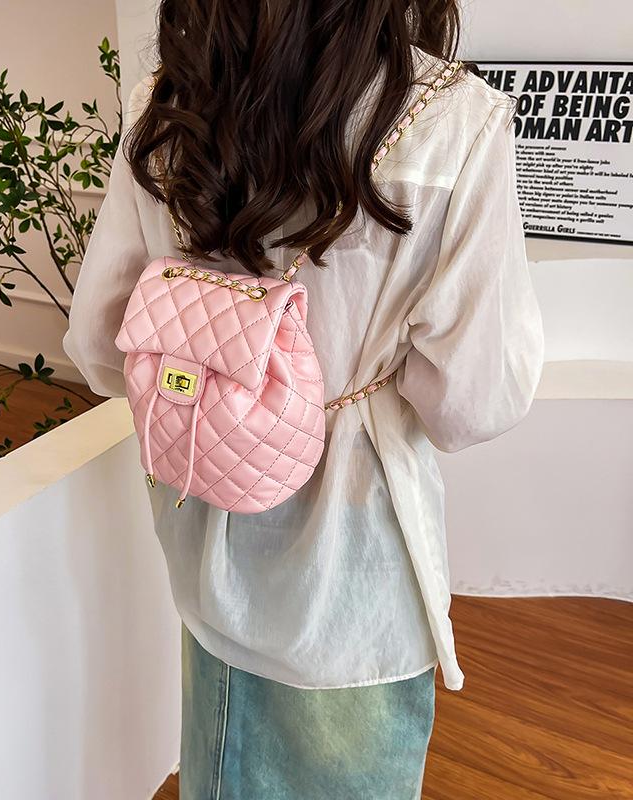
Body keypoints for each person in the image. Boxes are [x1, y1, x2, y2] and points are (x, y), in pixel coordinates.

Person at [63, 1, 545, 797]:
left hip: (206, 523)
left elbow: (99, 345)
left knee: (222, 758)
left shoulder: (172, 101)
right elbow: (476, 400)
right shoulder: (451, 119)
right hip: (353, 565)